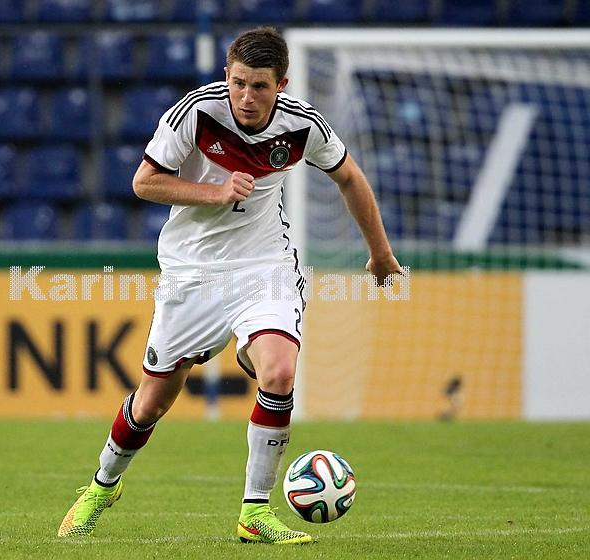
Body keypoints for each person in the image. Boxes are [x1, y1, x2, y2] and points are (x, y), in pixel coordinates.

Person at [58, 27, 402, 544]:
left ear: (281, 85)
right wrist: (215, 192)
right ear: (226, 76)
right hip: (191, 270)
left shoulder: (303, 124)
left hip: (263, 264)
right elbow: (144, 182)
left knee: (280, 372)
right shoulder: (196, 113)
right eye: (238, 83)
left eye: (259, 86)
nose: (246, 96)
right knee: (152, 402)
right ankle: (103, 485)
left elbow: (349, 177)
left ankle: (255, 511)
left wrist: (380, 252)